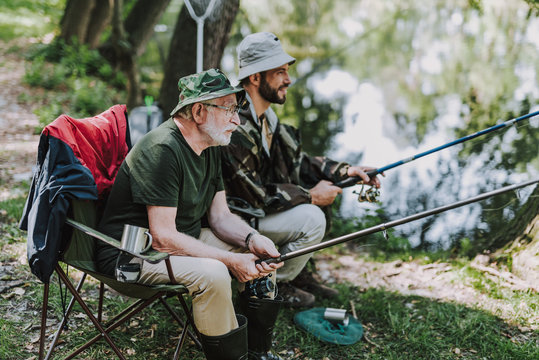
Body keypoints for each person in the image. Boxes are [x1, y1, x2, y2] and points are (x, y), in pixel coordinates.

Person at [96, 69, 285, 360]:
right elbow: (162, 237)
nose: (236, 120)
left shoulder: (212, 145)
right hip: (132, 253)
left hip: (177, 241)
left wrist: (251, 238)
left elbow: (221, 217)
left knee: (262, 257)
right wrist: (232, 261)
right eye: (229, 110)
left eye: (237, 110)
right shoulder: (162, 150)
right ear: (198, 111)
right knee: (215, 273)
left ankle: (257, 353)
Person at [221, 32, 381, 307]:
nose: (288, 79)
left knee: (316, 198)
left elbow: (300, 162)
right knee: (311, 217)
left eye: (287, 71)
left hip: (255, 214)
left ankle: (297, 275)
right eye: (280, 72)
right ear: (256, 77)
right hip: (235, 221)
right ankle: (267, 285)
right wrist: (309, 196)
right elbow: (252, 196)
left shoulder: (266, 116)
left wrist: (346, 171)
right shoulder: (235, 123)